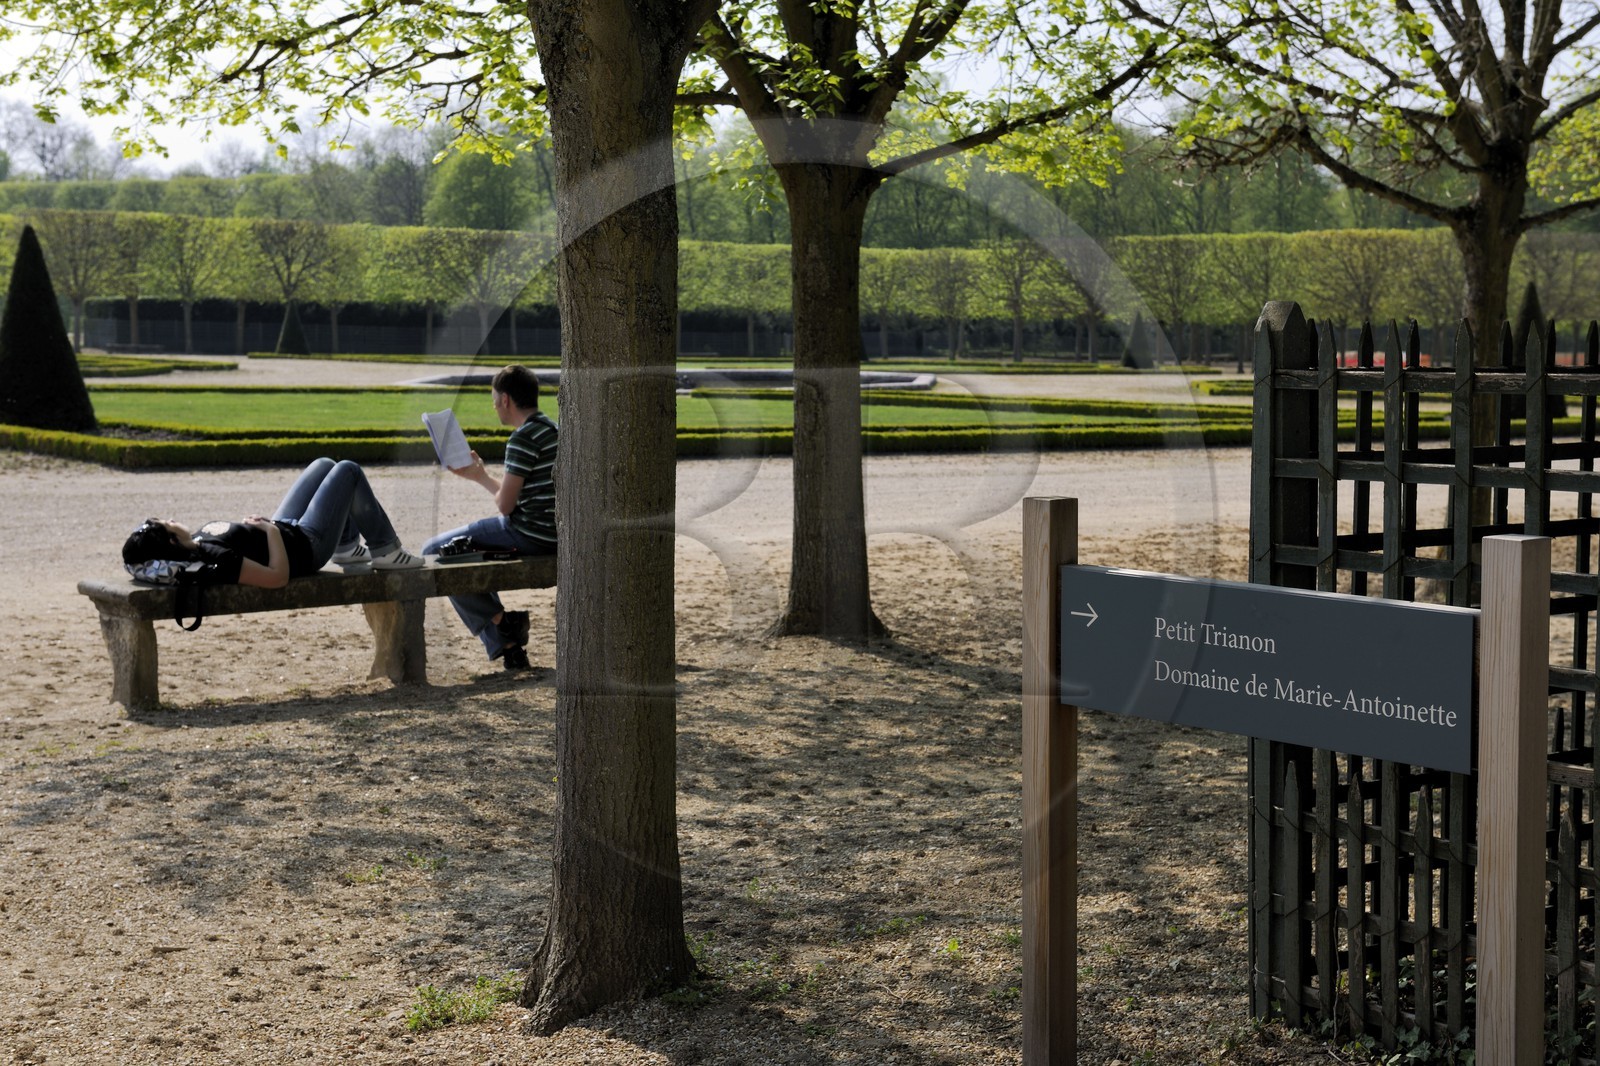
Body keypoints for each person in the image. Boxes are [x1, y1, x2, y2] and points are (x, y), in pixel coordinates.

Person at [422, 364, 557, 670]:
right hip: (553, 534)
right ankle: (509, 644)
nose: (494, 406)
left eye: (494, 399)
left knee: (434, 552)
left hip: (529, 535)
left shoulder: (522, 439)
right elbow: (515, 499)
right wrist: (480, 476)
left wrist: (478, 476)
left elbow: (506, 508)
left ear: (506, 400)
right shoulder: (552, 431)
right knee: (460, 550)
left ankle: (502, 624)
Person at [122, 457, 425, 587]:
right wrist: (269, 530)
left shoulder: (200, 544)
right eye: (166, 523)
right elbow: (278, 577)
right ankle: (385, 551)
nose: (171, 519)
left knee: (324, 465)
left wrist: (269, 527)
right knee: (348, 471)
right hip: (307, 548)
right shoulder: (215, 557)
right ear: (172, 541)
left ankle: (346, 546)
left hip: (287, 528)